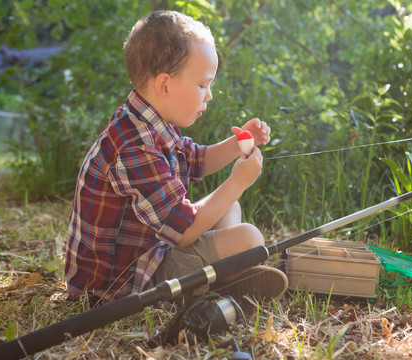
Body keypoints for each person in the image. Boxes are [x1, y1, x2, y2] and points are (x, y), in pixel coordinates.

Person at [64, 10, 287, 304]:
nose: (209, 95)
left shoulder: (150, 120)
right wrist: (238, 182)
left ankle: (227, 274)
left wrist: (237, 143)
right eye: (202, 84)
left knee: (229, 209)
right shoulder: (134, 145)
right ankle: (224, 281)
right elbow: (182, 232)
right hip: (124, 282)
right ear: (165, 85)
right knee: (250, 239)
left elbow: (195, 159)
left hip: (151, 250)